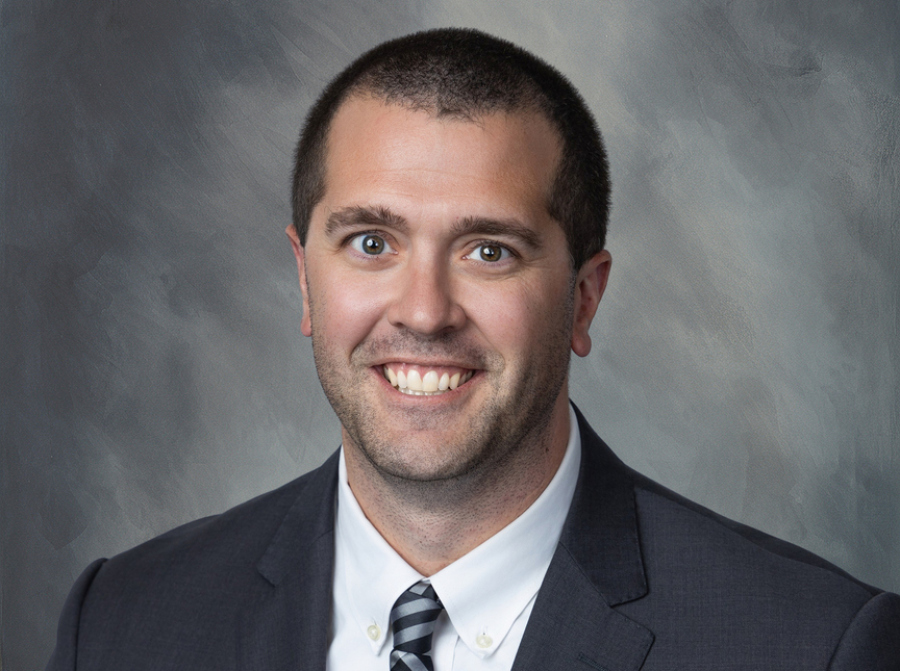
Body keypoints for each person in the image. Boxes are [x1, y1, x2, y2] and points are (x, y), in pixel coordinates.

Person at [47, 28, 899, 671]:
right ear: (305, 281)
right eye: (372, 243)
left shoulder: (811, 644)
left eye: (489, 250)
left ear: (584, 298)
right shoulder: (122, 622)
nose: (424, 311)